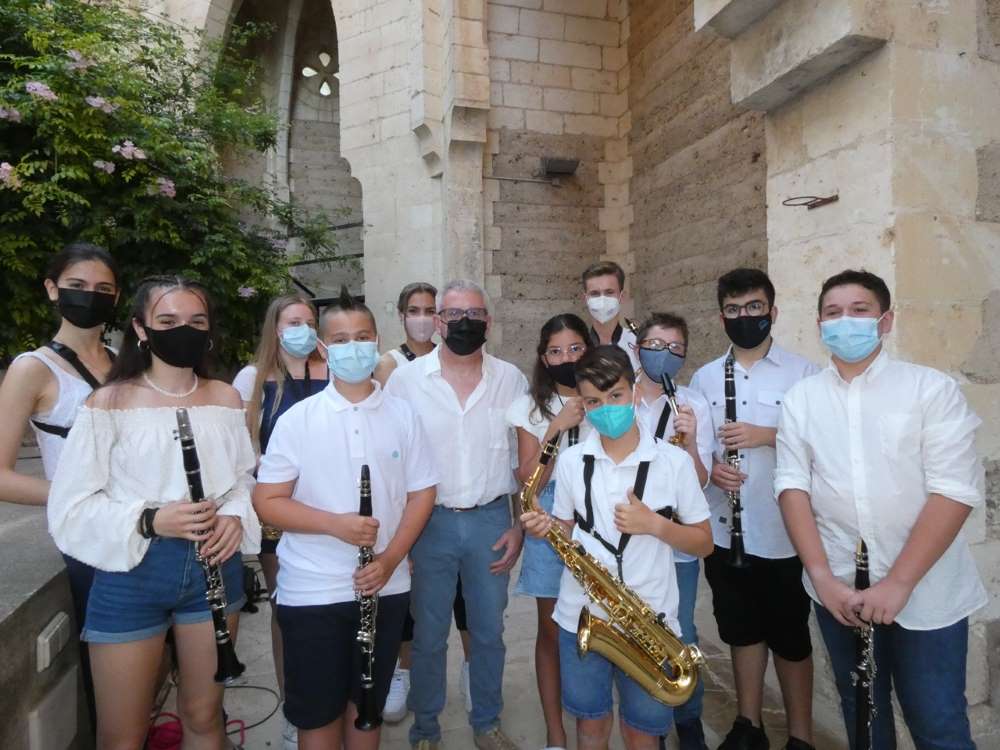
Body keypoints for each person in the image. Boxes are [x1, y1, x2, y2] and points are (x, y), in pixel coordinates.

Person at [776, 270, 987, 750]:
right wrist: (822, 577)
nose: (845, 321)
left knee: (938, 724)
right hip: (840, 591)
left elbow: (953, 491)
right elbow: (792, 486)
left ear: (885, 321)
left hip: (927, 591)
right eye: (833, 313)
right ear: (819, 325)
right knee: (865, 722)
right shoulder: (801, 399)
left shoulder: (931, 390)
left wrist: (899, 583)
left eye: (859, 310)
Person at [47, 275, 261, 749]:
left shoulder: (226, 397)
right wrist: (150, 519)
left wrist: (234, 515)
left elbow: (242, 478)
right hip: (132, 572)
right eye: (167, 321)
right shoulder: (107, 402)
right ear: (141, 329)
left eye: (196, 321)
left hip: (214, 563)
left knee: (204, 716)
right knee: (122, 734)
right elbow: (69, 507)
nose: (183, 330)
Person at [253, 287, 437, 750]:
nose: (353, 347)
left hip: (385, 586)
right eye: (340, 340)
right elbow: (267, 501)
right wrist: (336, 524)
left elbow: (422, 492)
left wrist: (391, 559)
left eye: (362, 337)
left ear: (377, 341)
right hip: (312, 589)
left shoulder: (403, 414)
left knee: (366, 711)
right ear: (323, 347)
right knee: (318, 716)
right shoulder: (298, 418)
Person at [521, 345, 713, 750]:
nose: (606, 408)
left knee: (641, 732)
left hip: (651, 622)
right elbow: (566, 526)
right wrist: (546, 528)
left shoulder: (673, 462)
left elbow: (704, 542)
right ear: (582, 404)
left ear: (634, 393)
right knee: (590, 726)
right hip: (581, 616)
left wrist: (655, 524)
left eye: (616, 395)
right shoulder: (572, 461)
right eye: (594, 401)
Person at [386, 279, 527, 750]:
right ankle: (426, 728)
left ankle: (486, 722)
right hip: (428, 524)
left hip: (491, 522)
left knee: (489, 632)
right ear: (438, 321)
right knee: (428, 635)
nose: (464, 322)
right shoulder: (406, 382)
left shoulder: (510, 379)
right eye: (453, 314)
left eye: (474, 314)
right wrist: (400, 542)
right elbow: (394, 464)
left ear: (488, 321)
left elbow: (520, 462)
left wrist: (518, 526)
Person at [688, 268, 819, 750]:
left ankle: (800, 735)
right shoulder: (704, 377)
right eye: (734, 309)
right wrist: (713, 469)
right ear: (722, 316)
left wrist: (767, 435)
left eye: (754, 307)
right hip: (726, 528)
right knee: (741, 631)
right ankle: (749, 724)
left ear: (772, 311)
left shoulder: (804, 374)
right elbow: (696, 448)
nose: (744, 316)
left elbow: (824, 443)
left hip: (784, 531)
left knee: (790, 637)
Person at [0, 241, 120, 733]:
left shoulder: (124, 360)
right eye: (77, 285)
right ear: (53, 289)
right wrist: (74, 493)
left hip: (146, 527)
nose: (90, 296)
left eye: (103, 289)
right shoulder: (33, 368)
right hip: (89, 542)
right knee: (110, 674)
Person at [372, 281, 472, 724]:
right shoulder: (389, 366)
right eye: (414, 309)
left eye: (430, 310)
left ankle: (471, 671)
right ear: (401, 315)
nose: (423, 317)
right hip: (413, 498)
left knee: (466, 598)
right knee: (411, 599)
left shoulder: (455, 356)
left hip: (459, 495)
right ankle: (403, 671)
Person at [232, 293, 328, 747]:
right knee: (287, 610)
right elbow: (241, 447)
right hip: (279, 509)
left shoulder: (334, 373)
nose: (303, 329)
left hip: (332, 507)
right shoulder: (252, 379)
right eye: (293, 322)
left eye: (310, 321)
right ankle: (295, 708)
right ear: (275, 327)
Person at [504, 313, 591, 750]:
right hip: (548, 514)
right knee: (552, 628)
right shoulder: (530, 407)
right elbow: (527, 480)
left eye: (575, 348)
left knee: (597, 626)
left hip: (598, 513)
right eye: (555, 351)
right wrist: (556, 428)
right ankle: (555, 732)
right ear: (543, 358)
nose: (566, 358)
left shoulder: (606, 397)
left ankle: (591, 722)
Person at [631, 313, 713, 750]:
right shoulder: (617, 397)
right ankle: (651, 724)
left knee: (683, 635)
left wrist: (692, 441)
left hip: (676, 543)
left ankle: (689, 718)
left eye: (674, 347)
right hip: (628, 540)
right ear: (638, 348)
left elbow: (701, 481)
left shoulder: (693, 404)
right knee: (638, 634)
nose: (664, 354)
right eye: (655, 345)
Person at [580, 261, 640, 371]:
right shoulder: (576, 347)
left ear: (622, 297)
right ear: (585, 299)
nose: (602, 299)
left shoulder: (639, 343)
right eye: (594, 293)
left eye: (609, 292)